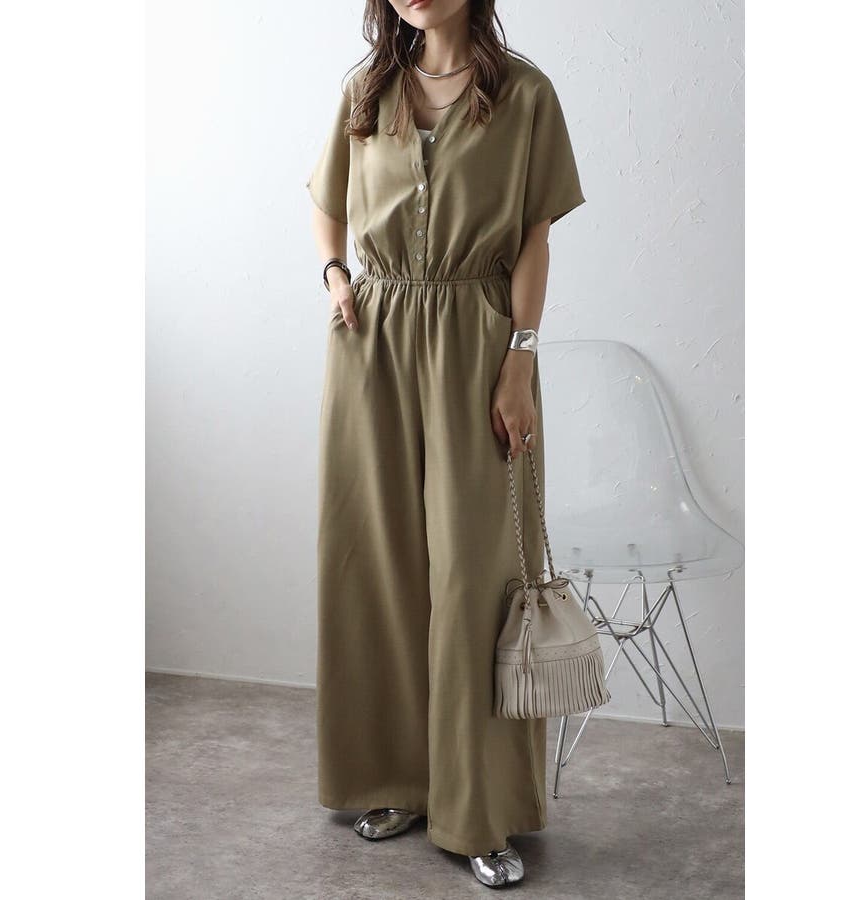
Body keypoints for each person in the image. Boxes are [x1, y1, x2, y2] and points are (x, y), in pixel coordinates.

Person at [306, 0, 585, 887]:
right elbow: (326, 203)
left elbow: (535, 237)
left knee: (477, 575)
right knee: (379, 565)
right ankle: (397, 780)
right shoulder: (367, 90)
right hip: (373, 343)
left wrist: (520, 361)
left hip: (477, 344)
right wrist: (336, 274)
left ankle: (479, 806)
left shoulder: (526, 96)